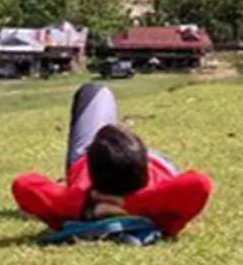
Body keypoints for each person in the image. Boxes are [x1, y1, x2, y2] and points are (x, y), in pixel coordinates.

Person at [11, 84, 213, 238]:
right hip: (156, 162)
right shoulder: (155, 200)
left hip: (92, 159)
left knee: (94, 90)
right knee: (101, 107)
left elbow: (24, 184)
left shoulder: (74, 201)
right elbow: (199, 184)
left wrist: (89, 209)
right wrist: (137, 209)